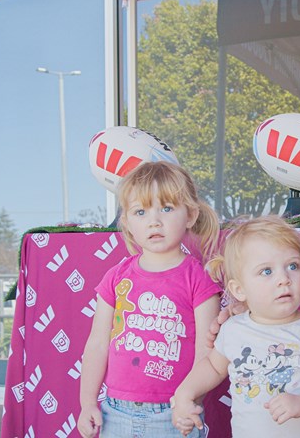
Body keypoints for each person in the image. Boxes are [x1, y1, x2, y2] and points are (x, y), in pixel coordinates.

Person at [77, 161, 222, 438]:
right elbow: (97, 343)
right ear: (128, 224)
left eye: (166, 208)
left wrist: (190, 402)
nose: (154, 221)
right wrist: (87, 403)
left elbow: (208, 352)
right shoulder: (116, 277)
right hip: (114, 413)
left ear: (190, 215)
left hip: (174, 415)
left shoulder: (199, 281)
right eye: (141, 212)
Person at [172, 216, 300, 437]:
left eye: (292, 266)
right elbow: (212, 366)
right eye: (266, 271)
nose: (284, 279)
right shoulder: (233, 329)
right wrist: (184, 393)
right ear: (239, 290)